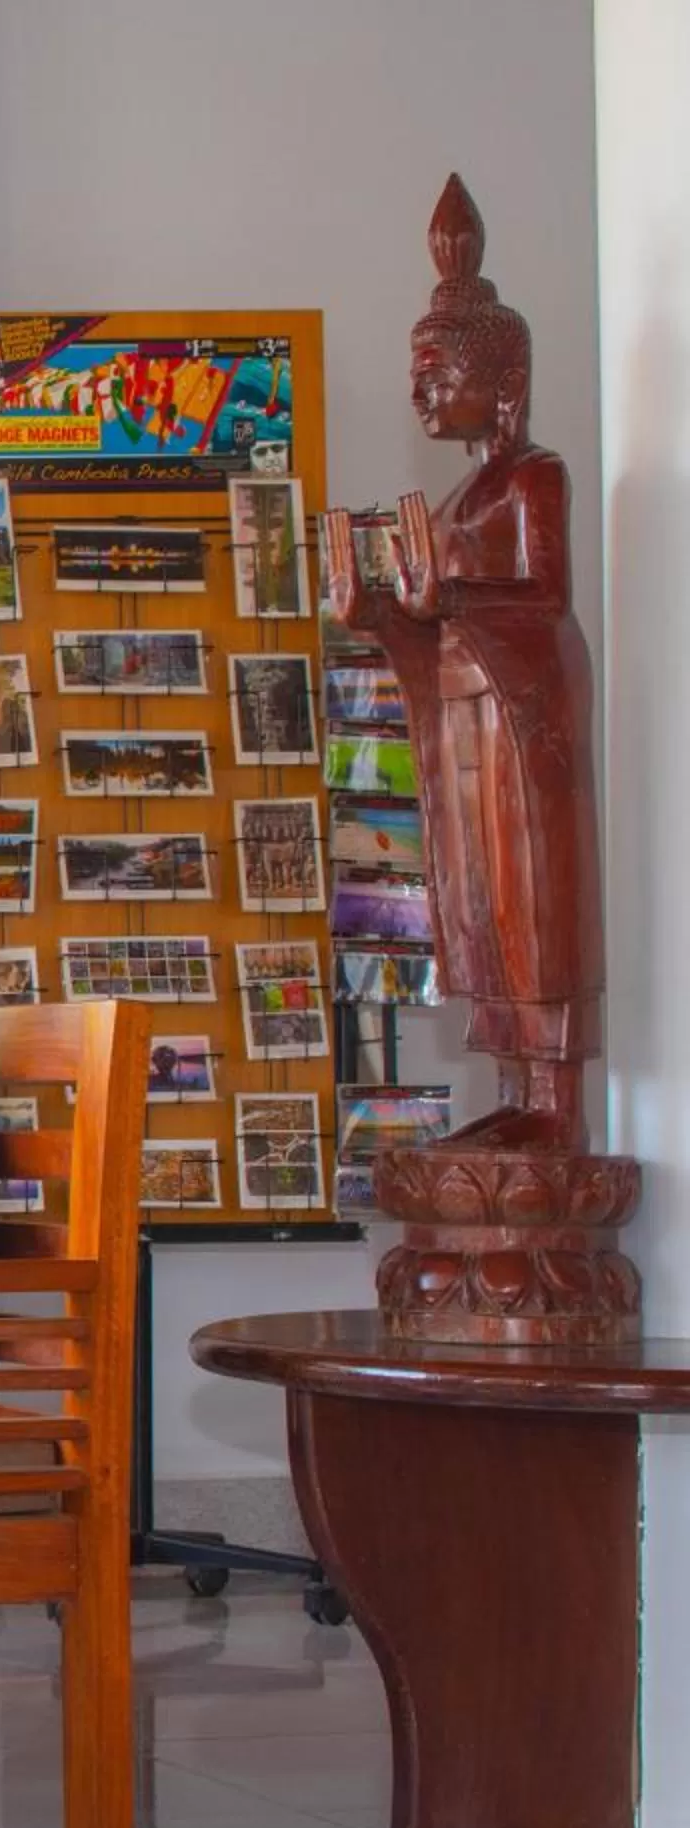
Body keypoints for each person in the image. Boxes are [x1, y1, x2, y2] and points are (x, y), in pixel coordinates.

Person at [324, 175, 605, 1153]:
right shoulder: (454, 503)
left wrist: (452, 596)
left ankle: (555, 1103)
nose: (422, 394)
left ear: (504, 379)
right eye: (419, 376)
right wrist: (377, 615)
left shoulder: (535, 476)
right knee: (479, 895)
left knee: (532, 893)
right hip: (466, 722)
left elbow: (548, 594)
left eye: (439, 374)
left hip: (523, 719)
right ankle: (514, 1087)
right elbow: (430, 623)